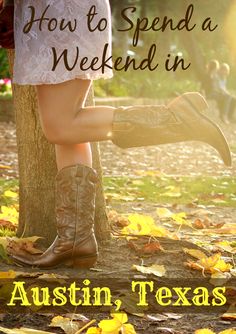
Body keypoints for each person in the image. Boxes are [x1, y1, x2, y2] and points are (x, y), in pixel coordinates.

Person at [0, 0, 231, 269]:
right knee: (69, 128)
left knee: (62, 125)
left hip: (60, 12)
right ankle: (75, 241)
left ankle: (178, 119)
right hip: (57, 13)